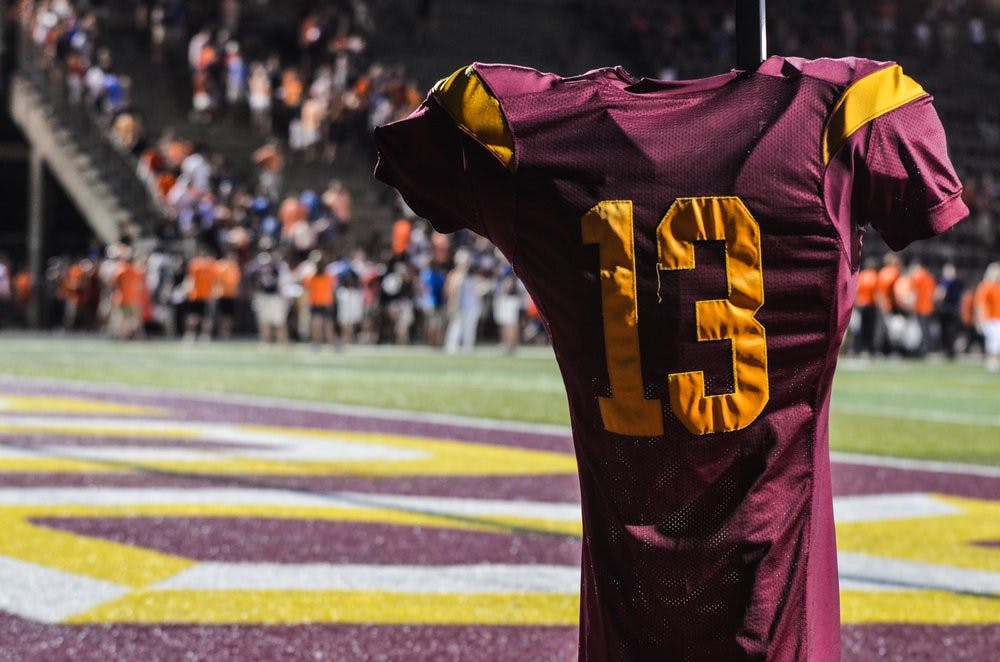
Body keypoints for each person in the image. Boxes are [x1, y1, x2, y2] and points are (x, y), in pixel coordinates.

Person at [374, 57, 967, 659]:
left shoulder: (525, 131)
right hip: (778, 609)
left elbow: (424, 150)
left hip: (627, 618)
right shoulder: (841, 113)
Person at [974, 262, 1000, 372]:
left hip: (997, 318)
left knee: (996, 341)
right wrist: (980, 320)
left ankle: (993, 361)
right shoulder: (985, 286)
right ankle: (991, 361)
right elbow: (979, 304)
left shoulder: (997, 286)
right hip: (989, 318)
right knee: (993, 341)